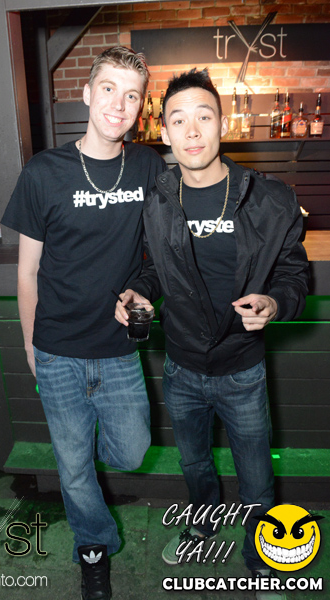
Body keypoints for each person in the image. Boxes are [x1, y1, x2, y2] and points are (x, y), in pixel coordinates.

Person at [115, 68, 309, 600]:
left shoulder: (269, 199)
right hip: (181, 367)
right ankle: (203, 525)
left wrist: (274, 303)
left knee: (256, 477)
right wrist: (139, 292)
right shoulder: (156, 199)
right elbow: (154, 269)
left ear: (223, 124)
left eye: (204, 116)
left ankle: (263, 558)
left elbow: (294, 276)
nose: (193, 130)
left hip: (242, 368)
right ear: (165, 132)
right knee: (195, 463)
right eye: (179, 120)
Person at [1, 46, 166, 600]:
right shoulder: (43, 172)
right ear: (88, 93)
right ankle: (94, 547)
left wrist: (143, 291)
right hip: (57, 349)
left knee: (132, 452)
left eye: (132, 95)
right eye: (109, 89)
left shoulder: (147, 167)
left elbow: (159, 256)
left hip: (117, 350)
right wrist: (31, 345)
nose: (118, 103)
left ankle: (81, 455)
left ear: (140, 107)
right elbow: (27, 272)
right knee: (73, 468)